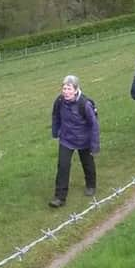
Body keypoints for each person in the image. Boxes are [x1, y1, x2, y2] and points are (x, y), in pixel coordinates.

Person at [49, 75, 100, 208]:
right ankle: (60, 197)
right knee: (63, 166)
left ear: (76, 90)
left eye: (69, 89)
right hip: (66, 139)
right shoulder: (60, 101)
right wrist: (56, 132)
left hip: (84, 139)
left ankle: (91, 185)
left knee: (87, 163)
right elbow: (55, 115)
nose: (66, 91)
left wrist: (94, 145)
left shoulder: (85, 104)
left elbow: (94, 125)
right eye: (64, 88)